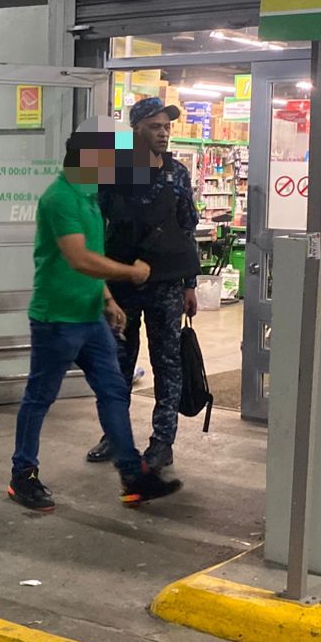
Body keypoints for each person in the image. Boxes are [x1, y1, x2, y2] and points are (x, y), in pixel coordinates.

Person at [8, 118, 183, 513]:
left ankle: (133, 477)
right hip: (57, 318)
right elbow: (80, 259)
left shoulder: (89, 197)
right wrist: (129, 273)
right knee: (40, 397)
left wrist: (107, 298)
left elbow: (92, 258)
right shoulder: (59, 199)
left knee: (113, 391)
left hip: (89, 317)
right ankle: (22, 474)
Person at [90, 96, 201, 475]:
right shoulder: (114, 170)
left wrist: (190, 284)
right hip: (122, 281)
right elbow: (96, 222)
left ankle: (162, 442)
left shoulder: (177, 173)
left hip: (166, 284)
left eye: (167, 127)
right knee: (117, 362)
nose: (163, 133)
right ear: (136, 129)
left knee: (167, 363)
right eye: (155, 127)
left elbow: (187, 227)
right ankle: (114, 434)